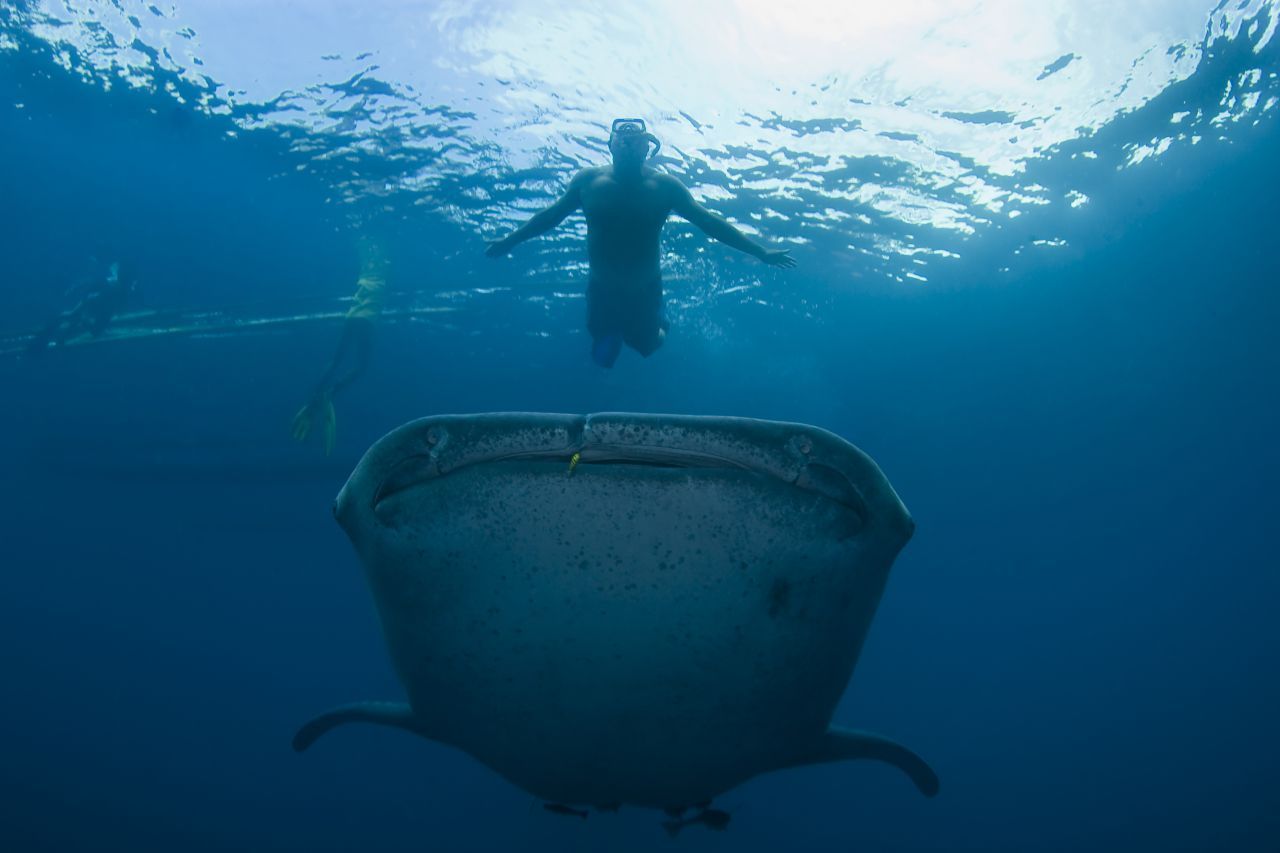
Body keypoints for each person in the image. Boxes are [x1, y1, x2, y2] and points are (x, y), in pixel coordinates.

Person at [485, 118, 796, 367]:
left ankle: (661, 324)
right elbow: (550, 217)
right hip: (602, 287)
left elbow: (709, 223)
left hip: (644, 288)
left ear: (648, 148)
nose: (629, 145)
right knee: (603, 357)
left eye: (637, 141)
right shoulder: (587, 182)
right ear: (610, 145)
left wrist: (760, 252)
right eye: (623, 139)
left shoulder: (664, 187)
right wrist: (510, 240)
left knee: (647, 346)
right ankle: (618, 330)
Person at [291, 236, 386, 455]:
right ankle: (330, 393)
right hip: (368, 319)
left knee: (335, 361)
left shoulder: (368, 267)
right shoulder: (385, 270)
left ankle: (313, 400)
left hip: (352, 315)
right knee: (362, 366)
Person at [27, 259, 138, 354]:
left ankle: (55, 339)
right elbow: (91, 298)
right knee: (74, 318)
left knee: (90, 328)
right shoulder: (112, 284)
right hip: (96, 305)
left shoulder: (123, 285)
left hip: (103, 308)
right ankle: (50, 340)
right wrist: (82, 311)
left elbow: (115, 299)